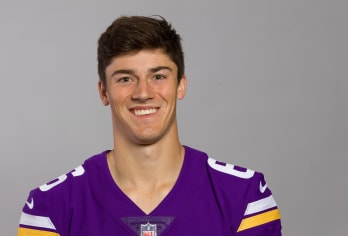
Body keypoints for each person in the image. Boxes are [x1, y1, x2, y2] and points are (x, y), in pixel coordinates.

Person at [17, 15, 282, 236]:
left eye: (158, 76)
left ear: (181, 85)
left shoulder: (243, 197)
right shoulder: (50, 208)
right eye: (125, 79)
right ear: (103, 92)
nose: (143, 92)